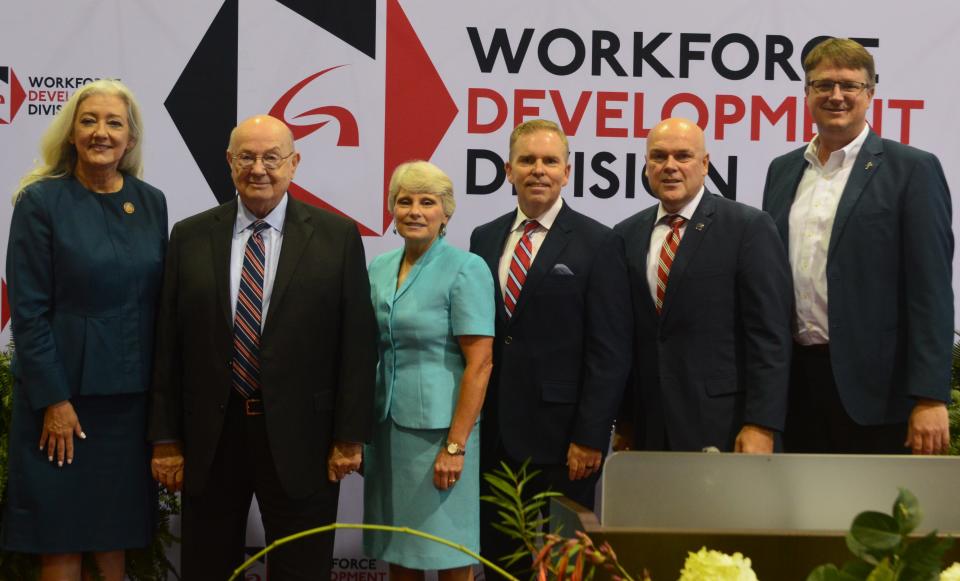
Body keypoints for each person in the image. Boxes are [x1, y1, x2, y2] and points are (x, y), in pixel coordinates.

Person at [147, 114, 377, 580]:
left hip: (304, 439)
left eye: (272, 157)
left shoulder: (337, 237)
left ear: (294, 163)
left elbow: (357, 342)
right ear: (229, 163)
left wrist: (349, 436)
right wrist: (166, 439)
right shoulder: (189, 236)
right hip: (212, 436)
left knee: (302, 568)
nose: (259, 168)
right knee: (207, 566)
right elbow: (168, 345)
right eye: (247, 157)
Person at [2, 80, 167, 581]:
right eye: (89, 121)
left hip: (129, 405)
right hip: (63, 404)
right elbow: (28, 312)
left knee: (114, 537)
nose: (101, 132)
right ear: (71, 134)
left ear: (131, 139)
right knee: (63, 537)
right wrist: (54, 400)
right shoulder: (40, 202)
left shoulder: (152, 202)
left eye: (114, 123)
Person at [762, 38, 954, 455]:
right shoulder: (782, 171)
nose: (836, 96)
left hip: (879, 394)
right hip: (795, 388)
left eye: (849, 85)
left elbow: (931, 291)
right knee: (797, 518)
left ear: (870, 93)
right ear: (806, 93)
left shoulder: (913, 170)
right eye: (823, 85)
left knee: (874, 517)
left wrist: (930, 397)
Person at [468, 119, 632, 575]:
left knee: (563, 563)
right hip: (495, 433)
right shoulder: (483, 237)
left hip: (565, 442)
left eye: (549, 161)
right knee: (499, 560)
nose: (538, 170)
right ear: (508, 170)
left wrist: (590, 434)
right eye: (527, 160)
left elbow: (610, 349)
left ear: (567, 171)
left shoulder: (600, 241)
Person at [612, 118, 792, 453]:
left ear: (705, 164)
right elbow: (627, 338)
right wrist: (625, 421)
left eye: (683, 156)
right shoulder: (625, 235)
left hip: (725, 424)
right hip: (650, 427)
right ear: (647, 165)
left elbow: (770, 335)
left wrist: (761, 424)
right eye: (659, 156)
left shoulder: (747, 227)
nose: (670, 167)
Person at [362, 160, 494, 581]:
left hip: (441, 436)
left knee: (448, 553)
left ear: (445, 213)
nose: (415, 211)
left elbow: (480, 363)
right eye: (404, 202)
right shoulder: (379, 267)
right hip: (388, 433)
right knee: (399, 550)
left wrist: (455, 446)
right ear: (392, 210)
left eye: (427, 202)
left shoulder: (466, 268)